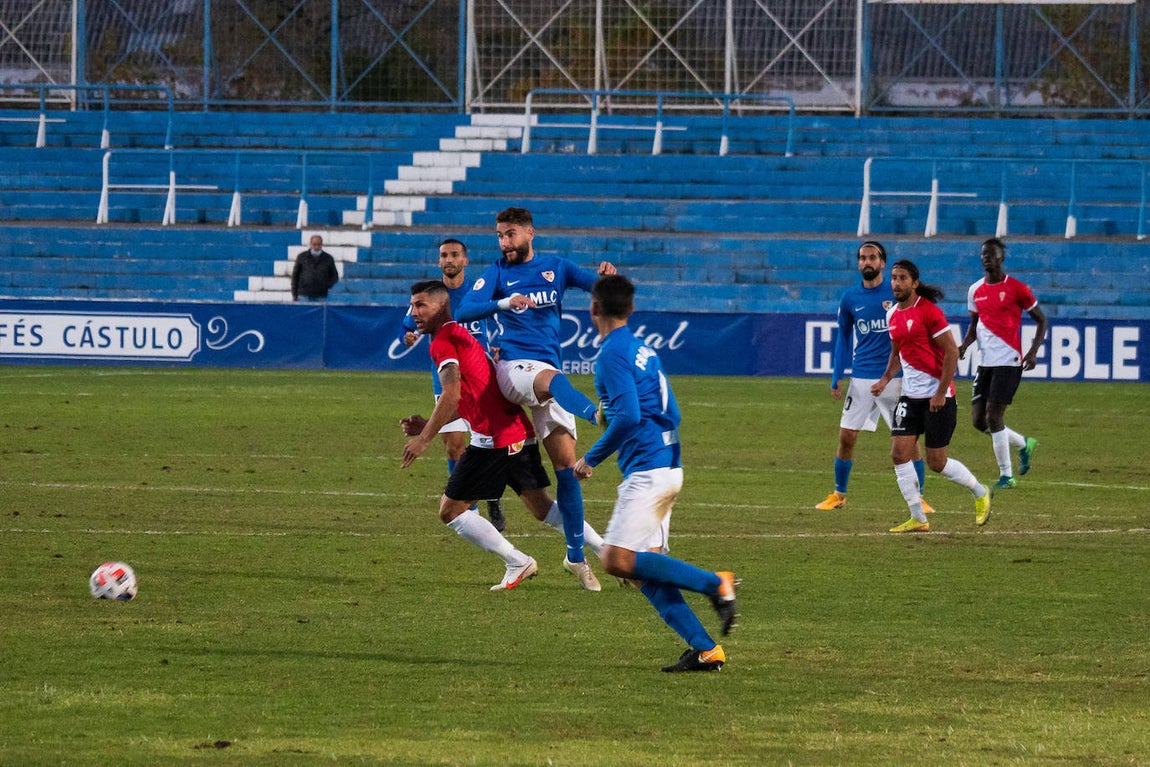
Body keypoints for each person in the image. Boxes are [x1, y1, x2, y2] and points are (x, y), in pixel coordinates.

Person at [573, 275, 737, 673]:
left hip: (647, 470)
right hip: (665, 462)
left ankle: (715, 583)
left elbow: (628, 416)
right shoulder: (642, 348)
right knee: (642, 569)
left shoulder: (611, 353)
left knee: (614, 559)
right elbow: (670, 411)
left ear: (593, 308)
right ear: (631, 309)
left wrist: (590, 458)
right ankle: (705, 649)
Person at [401, 280, 604, 591]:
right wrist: (431, 422)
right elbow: (473, 398)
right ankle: (607, 551)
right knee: (541, 507)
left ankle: (517, 561)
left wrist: (424, 438)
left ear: (441, 307)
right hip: (518, 434)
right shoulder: (460, 335)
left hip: (493, 443)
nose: (414, 312)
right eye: (412, 305)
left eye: (420, 305)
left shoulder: (442, 341)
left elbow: (452, 394)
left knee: (450, 510)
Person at [455, 207, 613, 591]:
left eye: (510, 234)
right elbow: (463, 310)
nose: (504, 242)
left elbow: (599, 287)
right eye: (499, 236)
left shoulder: (555, 267)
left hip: (547, 372)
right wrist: (503, 303)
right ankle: (597, 414)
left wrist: (609, 278)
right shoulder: (496, 273)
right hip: (511, 368)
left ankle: (576, 558)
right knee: (553, 379)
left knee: (567, 469)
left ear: (530, 233)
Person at [871, 260, 992, 533]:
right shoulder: (892, 316)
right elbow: (897, 352)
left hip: (938, 398)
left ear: (914, 283)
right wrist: (885, 379)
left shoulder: (929, 313)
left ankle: (979, 491)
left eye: (902, 278)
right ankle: (918, 518)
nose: (896, 283)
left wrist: (940, 392)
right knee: (899, 454)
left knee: (937, 462)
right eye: (893, 277)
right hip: (909, 398)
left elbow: (951, 352)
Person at [816, 241, 932, 514]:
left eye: (872, 257)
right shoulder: (850, 299)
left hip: (896, 379)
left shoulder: (897, 294)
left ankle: (921, 497)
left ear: (883, 262)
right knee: (846, 437)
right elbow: (843, 338)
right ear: (858, 263)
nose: (867, 262)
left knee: (908, 441)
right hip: (861, 378)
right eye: (863, 258)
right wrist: (837, 375)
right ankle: (839, 495)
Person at [398, 238, 505, 532]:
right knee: (454, 446)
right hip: (446, 380)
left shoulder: (478, 292)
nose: (449, 259)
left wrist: (500, 347)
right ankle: (468, 508)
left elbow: (499, 325)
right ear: (439, 261)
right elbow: (405, 327)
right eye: (444, 255)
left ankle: (493, 494)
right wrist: (406, 337)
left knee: (491, 444)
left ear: (465, 261)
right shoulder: (430, 297)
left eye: (455, 254)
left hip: (482, 380)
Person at [958, 238, 1047, 490]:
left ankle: (1006, 476)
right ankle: (1023, 443)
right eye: (983, 254)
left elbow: (1041, 320)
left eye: (991, 254)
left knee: (994, 416)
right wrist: (965, 345)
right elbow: (975, 326)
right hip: (985, 363)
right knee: (978, 421)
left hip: (1009, 361)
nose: (986, 257)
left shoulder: (1017, 289)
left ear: (1001, 258)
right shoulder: (975, 290)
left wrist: (1032, 351)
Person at [291, 234, 339, 301]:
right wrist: (294, 293)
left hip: (321, 295)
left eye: (319, 244)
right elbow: (295, 276)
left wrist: (326, 285)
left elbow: (334, 276)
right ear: (310, 244)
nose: (316, 247)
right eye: (314, 244)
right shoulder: (302, 257)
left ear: (322, 245)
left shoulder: (328, 258)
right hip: (304, 294)